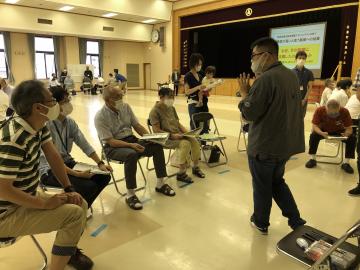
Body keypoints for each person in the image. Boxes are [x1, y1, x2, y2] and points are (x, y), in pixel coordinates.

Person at [0, 80, 93, 270]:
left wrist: (69, 188)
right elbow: (3, 190)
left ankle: (68, 251)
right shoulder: (14, 139)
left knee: (79, 202)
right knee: (74, 215)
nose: (56, 104)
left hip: (27, 196)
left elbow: (53, 155)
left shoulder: (37, 124)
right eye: (51, 100)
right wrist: (44, 203)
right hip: (6, 214)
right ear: (38, 107)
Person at [238, 37, 306, 234]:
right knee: (277, 182)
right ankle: (295, 219)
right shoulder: (291, 75)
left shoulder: (266, 79)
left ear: (266, 55)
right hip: (284, 146)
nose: (252, 60)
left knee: (262, 187)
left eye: (254, 56)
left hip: (265, 146)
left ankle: (260, 222)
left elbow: (248, 114)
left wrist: (245, 93)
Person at [94, 84, 175, 211]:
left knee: (156, 146)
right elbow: (111, 141)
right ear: (107, 100)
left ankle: (160, 184)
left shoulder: (126, 107)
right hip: (113, 147)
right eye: (117, 97)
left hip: (131, 140)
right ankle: (130, 194)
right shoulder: (100, 116)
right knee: (131, 154)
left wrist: (151, 138)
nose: (121, 99)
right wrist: (131, 145)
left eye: (122, 96)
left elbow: (137, 126)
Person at [39, 86, 111, 208]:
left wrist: (100, 163)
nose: (68, 104)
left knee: (103, 177)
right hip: (50, 171)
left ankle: (82, 208)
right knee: (89, 186)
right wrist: (77, 174)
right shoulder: (46, 126)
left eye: (68, 100)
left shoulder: (69, 122)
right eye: (64, 101)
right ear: (55, 105)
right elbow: (53, 162)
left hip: (67, 163)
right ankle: (76, 210)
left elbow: (84, 144)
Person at [149, 87, 205, 183]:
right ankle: (181, 173)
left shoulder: (171, 108)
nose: (172, 99)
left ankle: (195, 167)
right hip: (165, 138)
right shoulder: (154, 111)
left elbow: (178, 124)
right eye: (169, 97)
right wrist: (172, 135)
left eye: (173, 97)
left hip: (177, 135)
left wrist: (188, 133)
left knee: (195, 141)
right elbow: (156, 131)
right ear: (161, 97)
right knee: (185, 144)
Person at [305, 99, 355, 174]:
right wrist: (321, 132)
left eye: (335, 113)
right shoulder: (320, 110)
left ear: (339, 108)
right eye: (331, 113)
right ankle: (312, 159)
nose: (333, 115)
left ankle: (346, 163)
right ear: (326, 108)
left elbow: (349, 128)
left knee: (352, 138)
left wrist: (346, 133)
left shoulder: (344, 111)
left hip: (339, 131)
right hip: (323, 130)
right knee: (313, 135)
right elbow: (315, 126)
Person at [184, 53, 208, 132]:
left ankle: (203, 143)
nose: (200, 66)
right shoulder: (188, 76)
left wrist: (207, 89)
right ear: (193, 64)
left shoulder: (200, 76)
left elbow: (202, 89)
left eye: (201, 64)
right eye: (198, 64)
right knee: (195, 126)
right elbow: (187, 92)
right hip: (193, 103)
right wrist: (198, 87)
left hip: (202, 102)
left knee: (204, 126)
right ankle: (195, 143)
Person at [292, 50, 314, 117]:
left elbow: (310, 87)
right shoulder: (291, 72)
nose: (301, 60)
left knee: (301, 117)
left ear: (305, 60)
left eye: (303, 58)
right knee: (293, 116)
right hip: (293, 99)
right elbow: (289, 87)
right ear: (296, 59)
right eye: (299, 58)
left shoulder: (309, 72)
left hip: (303, 99)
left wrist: (304, 100)